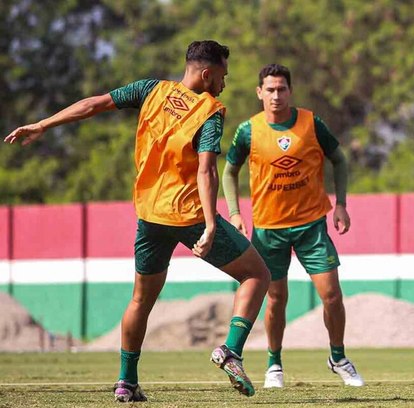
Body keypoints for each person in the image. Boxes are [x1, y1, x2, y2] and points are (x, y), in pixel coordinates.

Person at [4, 40, 270, 401]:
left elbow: (94, 104)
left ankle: (126, 382)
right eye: (222, 75)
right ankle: (231, 351)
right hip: (187, 214)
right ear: (207, 73)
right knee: (257, 274)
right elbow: (207, 170)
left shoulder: (150, 90)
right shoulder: (210, 110)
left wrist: (44, 123)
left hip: (149, 215)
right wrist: (209, 225)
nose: (224, 82)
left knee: (140, 301)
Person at [222, 63, 364, 388]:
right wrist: (234, 212)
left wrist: (340, 204)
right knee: (275, 299)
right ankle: (274, 364)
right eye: (269, 89)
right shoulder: (248, 131)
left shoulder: (311, 123)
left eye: (281, 89)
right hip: (268, 229)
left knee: (331, 295)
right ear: (259, 93)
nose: (276, 95)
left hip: (312, 225)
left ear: (290, 91)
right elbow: (229, 171)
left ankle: (338, 357)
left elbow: (339, 159)